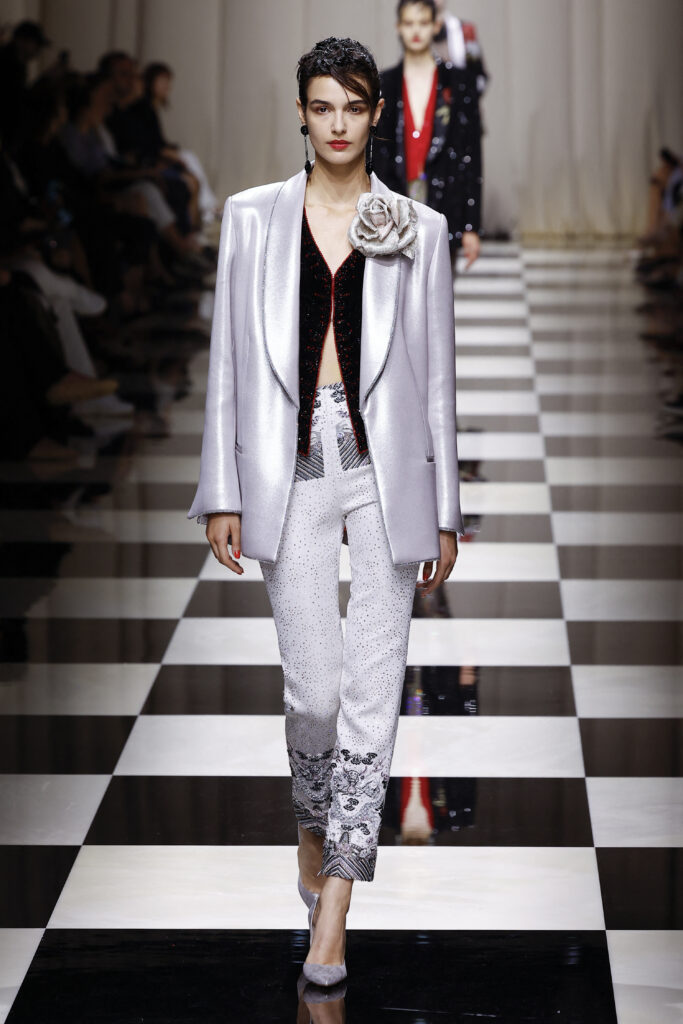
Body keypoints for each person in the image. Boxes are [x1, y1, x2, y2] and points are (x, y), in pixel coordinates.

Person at [186, 36, 464, 987]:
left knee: (371, 691)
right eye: (321, 106)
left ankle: (336, 903)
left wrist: (445, 507)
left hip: (386, 474)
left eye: (353, 106)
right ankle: (313, 829)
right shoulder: (251, 218)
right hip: (290, 464)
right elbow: (228, 362)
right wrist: (221, 491)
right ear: (300, 113)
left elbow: (437, 381)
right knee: (311, 688)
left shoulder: (417, 228)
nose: (337, 124)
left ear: (375, 113)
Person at [373, 0, 482, 273]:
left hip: (446, 204)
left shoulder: (460, 83)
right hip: (395, 204)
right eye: (409, 23)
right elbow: (375, 153)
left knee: (439, 291)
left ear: (436, 26)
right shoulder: (384, 84)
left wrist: (471, 226)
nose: (416, 31)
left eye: (423, 23)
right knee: (396, 291)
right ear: (398, 27)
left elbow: (471, 154)